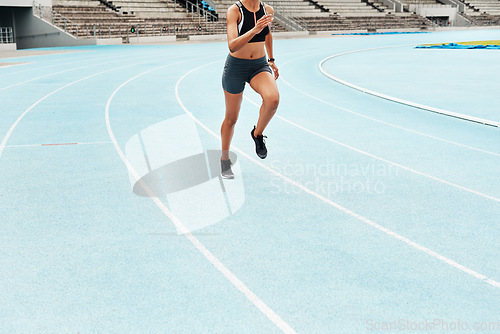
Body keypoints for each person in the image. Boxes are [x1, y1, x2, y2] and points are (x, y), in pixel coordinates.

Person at [220, 0, 279, 179]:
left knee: (273, 99)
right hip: (236, 68)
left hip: (258, 65)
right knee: (231, 118)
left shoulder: (267, 9)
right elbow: (232, 45)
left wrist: (271, 59)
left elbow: (267, 34)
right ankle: (224, 160)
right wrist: (254, 29)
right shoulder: (234, 11)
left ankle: (257, 133)